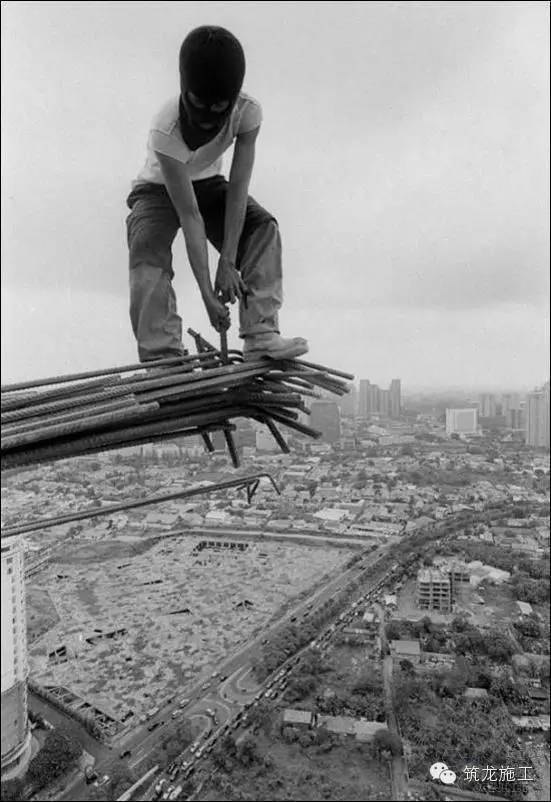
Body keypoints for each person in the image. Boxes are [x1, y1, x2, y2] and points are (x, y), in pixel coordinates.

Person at [126, 25, 309, 364]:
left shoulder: (247, 113)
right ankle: (163, 358)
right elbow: (190, 216)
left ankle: (261, 333)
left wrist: (228, 260)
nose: (208, 118)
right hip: (157, 189)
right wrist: (208, 295)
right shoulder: (164, 131)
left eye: (218, 107)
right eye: (198, 104)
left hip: (210, 184)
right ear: (185, 90)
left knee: (263, 227)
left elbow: (238, 191)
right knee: (147, 245)